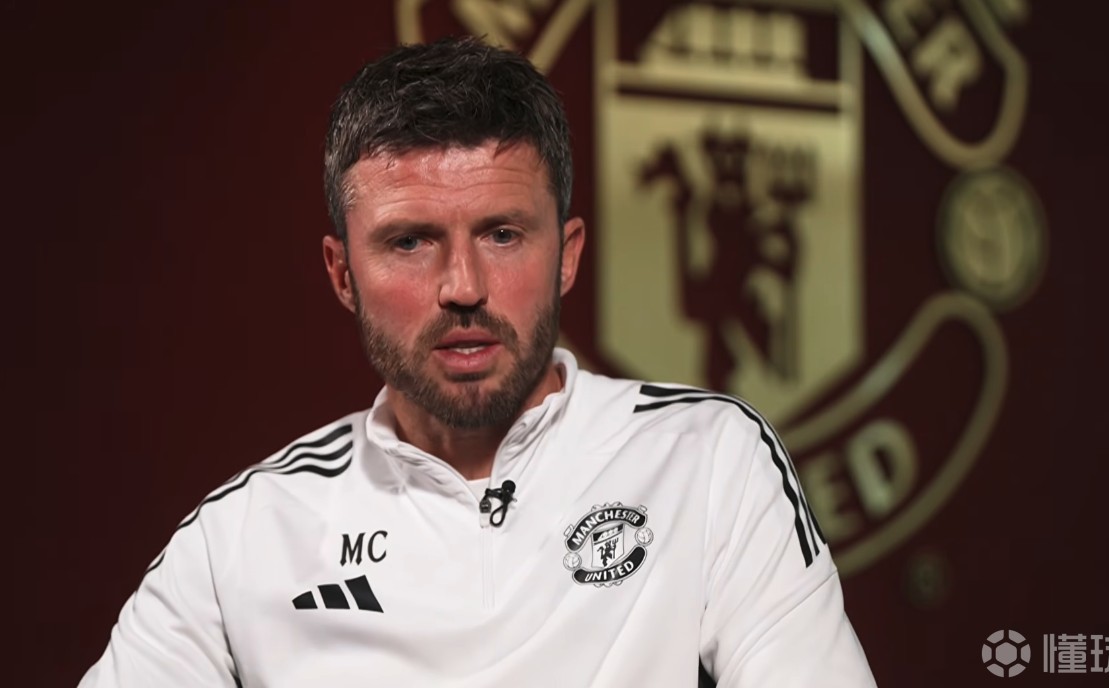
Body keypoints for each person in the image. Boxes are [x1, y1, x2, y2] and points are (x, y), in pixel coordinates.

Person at [80, 36, 877, 687]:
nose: (462, 286)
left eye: (502, 234)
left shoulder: (707, 459)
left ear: (567, 255)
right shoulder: (244, 537)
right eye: (409, 241)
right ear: (341, 273)